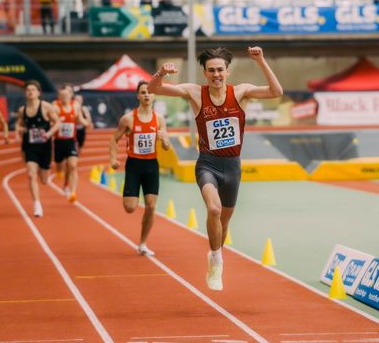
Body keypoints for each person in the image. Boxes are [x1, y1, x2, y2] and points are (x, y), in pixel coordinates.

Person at [148, 47, 283, 291]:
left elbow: (276, 92)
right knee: (213, 208)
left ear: (227, 71)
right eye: (211, 70)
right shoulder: (195, 93)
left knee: (225, 219)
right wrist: (160, 73)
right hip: (207, 163)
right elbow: (153, 89)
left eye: (220, 69)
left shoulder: (240, 92)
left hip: (232, 166)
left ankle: (216, 252)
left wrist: (261, 61)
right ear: (205, 72)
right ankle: (216, 260)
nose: (216, 74)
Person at [110, 81, 171, 256]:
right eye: (143, 92)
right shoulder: (128, 118)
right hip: (134, 165)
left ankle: (142, 243)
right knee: (130, 208)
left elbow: (166, 146)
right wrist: (113, 159)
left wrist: (163, 139)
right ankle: (131, 193)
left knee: (151, 206)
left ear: (154, 96)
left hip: (152, 165)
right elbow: (114, 140)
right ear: (138, 96)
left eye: (149, 92)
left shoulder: (159, 120)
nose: (146, 95)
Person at [16, 80, 61, 217]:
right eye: (28, 90)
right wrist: (19, 132)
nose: (30, 92)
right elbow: (19, 125)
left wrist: (48, 134)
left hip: (44, 145)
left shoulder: (46, 107)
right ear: (25, 93)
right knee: (31, 174)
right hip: (29, 145)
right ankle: (37, 205)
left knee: (44, 180)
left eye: (33, 90)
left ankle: (45, 175)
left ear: (38, 93)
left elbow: (57, 122)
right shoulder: (22, 110)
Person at [52, 84, 89, 202]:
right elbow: (50, 121)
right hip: (58, 142)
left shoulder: (76, 106)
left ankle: (73, 192)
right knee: (60, 166)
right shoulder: (55, 106)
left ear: (70, 95)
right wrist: (57, 121)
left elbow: (79, 119)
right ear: (59, 96)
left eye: (66, 95)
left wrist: (85, 123)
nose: (64, 97)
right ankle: (59, 171)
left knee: (73, 166)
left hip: (71, 141)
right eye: (62, 95)